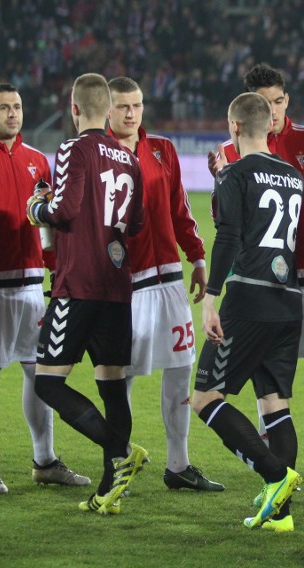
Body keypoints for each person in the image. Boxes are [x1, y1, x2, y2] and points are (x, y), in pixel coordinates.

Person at [208, 64, 304, 507]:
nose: (271, 111)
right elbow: (226, 223)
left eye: (277, 101)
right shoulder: (230, 152)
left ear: (287, 100)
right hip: (262, 283)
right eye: (263, 103)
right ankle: (274, 479)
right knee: (267, 383)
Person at [26, 73, 148, 514]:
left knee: (48, 383)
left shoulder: (72, 149)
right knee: (112, 388)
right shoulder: (129, 158)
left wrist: (37, 207)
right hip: (117, 287)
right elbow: (135, 223)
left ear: (74, 108)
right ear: (109, 107)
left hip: (77, 285)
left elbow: (64, 210)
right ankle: (107, 491)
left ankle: (123, 450)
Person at [192, 92, 302, 531]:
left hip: (247, 299)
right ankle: (282, 515)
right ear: (270, 126)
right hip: (287, 299)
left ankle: (275, 477)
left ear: (234, 127)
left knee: (204, 398)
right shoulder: (293, 174)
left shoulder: (236, 172)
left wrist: (211, 298)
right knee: (275, 405)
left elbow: (229, 237)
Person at [106, 76, 223, 492]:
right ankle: (116, 463)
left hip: (170, 278)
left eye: (136, 105)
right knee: (121, 376)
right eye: (122, 106)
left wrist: (197, 257)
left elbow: (179, 209)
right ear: (106, 109)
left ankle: (178, 464)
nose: (131, 113)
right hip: (124, 285)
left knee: (179, 368)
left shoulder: (162, 149)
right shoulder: (96, 156)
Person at [0, 83, 89, 494]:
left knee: (40, 373)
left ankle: (44, 460)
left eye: (17, 107)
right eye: (3, 108)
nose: (13, 114)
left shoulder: (36, 162)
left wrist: (55, 271)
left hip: (32, 286)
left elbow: (49, 227)